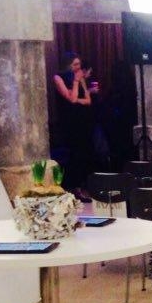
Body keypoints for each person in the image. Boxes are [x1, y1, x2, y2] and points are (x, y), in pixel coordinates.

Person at [52, 52, 94, 201]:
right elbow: (71, 98)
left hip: (82, 120)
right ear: (67, 64)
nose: (78, 68)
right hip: (68, 121)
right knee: (72, 155)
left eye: (79, 65)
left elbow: (87, 100)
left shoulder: (80, 77)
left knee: (84, 154)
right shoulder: (58, 77)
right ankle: (72, 188)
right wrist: (75, 84)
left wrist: (77, 97)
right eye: (75, 64)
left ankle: (82, 186)